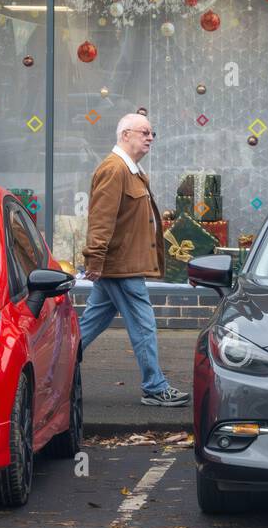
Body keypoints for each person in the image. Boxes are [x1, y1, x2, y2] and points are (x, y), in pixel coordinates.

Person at [80, 113, 189, 407]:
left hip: (121, 265)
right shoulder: (114, 170)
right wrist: (95, 260)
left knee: (88, 325)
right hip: (120, 267)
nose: (150, 137)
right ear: (125, 134)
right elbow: (100, 220)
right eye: (144, 132)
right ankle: (154, 387)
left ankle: (51, 372)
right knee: (143, 325)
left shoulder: (131, 171)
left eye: (152, 133)